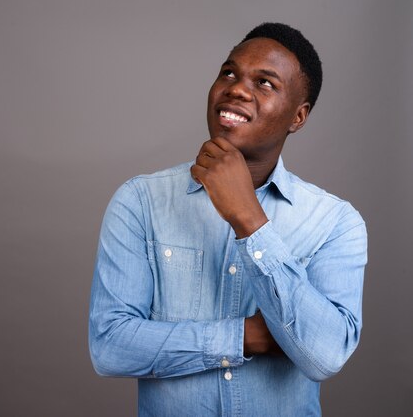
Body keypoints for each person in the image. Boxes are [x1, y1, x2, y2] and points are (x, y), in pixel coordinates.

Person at [88, 22, 367, 416]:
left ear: (298, 117)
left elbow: (323, 355)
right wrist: (243, 338)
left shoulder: (336, 222)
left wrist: (249, 219)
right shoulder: (140, 201)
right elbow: (110, 347)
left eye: (265, 83)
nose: (236, 88)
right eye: (229, 72)